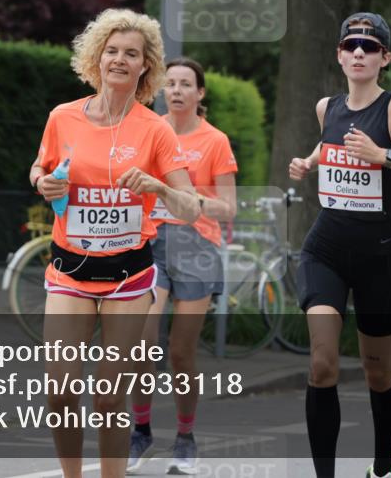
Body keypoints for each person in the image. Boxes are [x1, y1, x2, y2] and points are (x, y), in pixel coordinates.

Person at [29, 9, 201, 478]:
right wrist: (44, 183)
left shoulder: (155, 128)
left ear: (146, 66)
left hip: (128, 276)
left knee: (108, 396)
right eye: (112, 51)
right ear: (96, 57)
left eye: (132, 54)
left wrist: (158, 187)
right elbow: (40, 168)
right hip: (70, 272)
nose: (120, 60)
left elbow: (191, 207)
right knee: (61, 391)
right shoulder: (63, 117)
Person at [288, 12, 391, 478]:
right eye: (351, 45)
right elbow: (333, 144)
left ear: (385, 58)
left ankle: (383, 464)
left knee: (379, 373)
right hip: (326, 249)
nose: (359, 52)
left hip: (380, 255)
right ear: (339, 55)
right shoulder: (326, 107)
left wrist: (385, 157)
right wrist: (309, 161)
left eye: (370, 46)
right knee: (322, 363)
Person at [127, 57, 238, 475]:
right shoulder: (146, 131)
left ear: (200, 93)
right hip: (151, 242)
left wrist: (185, 197)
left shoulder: (215, 141)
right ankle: (141, 432)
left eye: (185, 84)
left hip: (197, 246)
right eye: (169, 83)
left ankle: (186, 437)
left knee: (181, 352)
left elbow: (228, 209)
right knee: (143, 343)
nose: (175, 90)